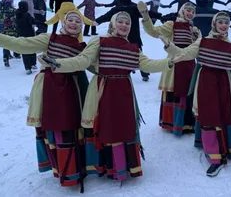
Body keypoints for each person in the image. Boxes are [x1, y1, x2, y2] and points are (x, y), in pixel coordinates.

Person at [0, 12, 90, 192]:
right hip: (51, 91)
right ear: (63, 22)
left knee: (74, 129)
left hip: (75, 91)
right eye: (70, 19)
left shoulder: (83, 47)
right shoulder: (50, 39)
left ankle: (78, 167)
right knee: (58, 128)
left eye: (78, 21)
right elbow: (20, 44)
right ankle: (65, 171)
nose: (74, 23)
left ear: (81, 26)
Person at [41, 11, 174, 182]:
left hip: (124, 91)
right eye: (120, 22)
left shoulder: (132, 48)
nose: (124, 25)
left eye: (127, 23)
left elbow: (147, 64)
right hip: (102, 90)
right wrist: (58, 63)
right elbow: (83, 60)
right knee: (104, 125)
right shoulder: (99, 41)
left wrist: (169, 61)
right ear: (112, 24)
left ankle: (122, 167)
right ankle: (104, 166)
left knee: (123, 126)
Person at [159, 12, 231, 176]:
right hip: (206, 83)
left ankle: (226, 148)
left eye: (226, 23)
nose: (223, 25)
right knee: (209, 116)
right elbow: (185, 53)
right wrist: (169, 46)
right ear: (214, 24)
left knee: (224, 115)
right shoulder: (203, 42)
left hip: (225, 84)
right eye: (220, 22)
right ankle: (215, 157)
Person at [138, 1, 200, 136]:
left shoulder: (194, 29)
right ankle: (173, 123)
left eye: (192, 12)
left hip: (190, 64)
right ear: (182, 11)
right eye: (188, 10)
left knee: (188, 92)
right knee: (175, 91)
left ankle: (187, 124)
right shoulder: (172, 25)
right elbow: (153, 32)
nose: (190, 13)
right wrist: (146, 16)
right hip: (174, 63)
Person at [95, 0, 162, 82]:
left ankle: (121, 72)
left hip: (120, 38)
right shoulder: (134, 8)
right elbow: (147, 13)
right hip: (134, 37)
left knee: (120, 55)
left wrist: (96, 21)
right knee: (139, 56)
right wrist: (160, 16)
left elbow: (105, 16)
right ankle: (145, 73)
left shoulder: (116, 9)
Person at [0, 0, 20, 65]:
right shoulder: (10, 5)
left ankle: (6, 56)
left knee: (5, 42)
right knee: (14, 40)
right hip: (11, 27)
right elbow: (15, 16)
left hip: (3, 27)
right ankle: (16, 54)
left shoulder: (0, 6)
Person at [15, 1, 37, 74]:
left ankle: (27, 68)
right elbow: (33, 21)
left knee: (24, 50)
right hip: (29, 34)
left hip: (20, 34)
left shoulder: (17, 14)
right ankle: (33, 63)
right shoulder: (26, 15)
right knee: (32, 48)